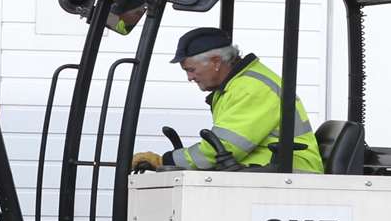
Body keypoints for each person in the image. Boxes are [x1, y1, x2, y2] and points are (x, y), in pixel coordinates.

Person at [131, 27, 323, 174]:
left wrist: (165, 161)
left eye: (191, 69)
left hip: (290, 176)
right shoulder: (234, 86)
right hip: (267, 173)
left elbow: (223, 148)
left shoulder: (251, 88)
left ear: (215, 62)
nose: (190, 78)